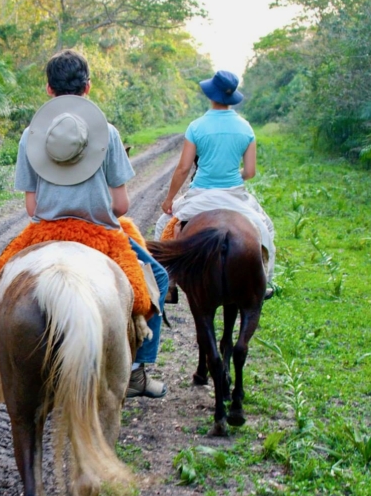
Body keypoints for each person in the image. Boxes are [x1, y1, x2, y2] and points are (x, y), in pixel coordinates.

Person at [14, 49, 169, 398]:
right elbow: (121, 204)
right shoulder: (108, 134)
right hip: (100, 235)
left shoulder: (30, 136)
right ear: (88, 87)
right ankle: (135, 373)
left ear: (49, 90)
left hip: (45, 232)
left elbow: (31, 206)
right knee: (156, 278)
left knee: (3, 283)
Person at [156, 70, 275, 297]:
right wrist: (231, 176)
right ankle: (265, 283)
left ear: (211, 94)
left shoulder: (196, 127)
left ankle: (167, 284)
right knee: (266, 228)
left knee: (164, 226)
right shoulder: (246, 128)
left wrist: (169, 199)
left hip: (200, 194)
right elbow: (250, 172)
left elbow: (183, 169)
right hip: (235, 195)